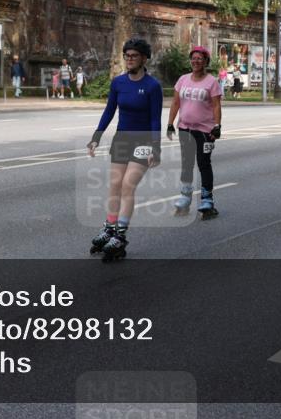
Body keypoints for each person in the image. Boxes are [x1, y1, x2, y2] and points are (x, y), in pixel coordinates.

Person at [87, 38, 163, 261]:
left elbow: (155, 120)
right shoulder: (118, 83)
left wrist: (155, 148)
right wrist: (96, 137)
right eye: (127, 56)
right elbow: (109, 111)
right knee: (114, 186)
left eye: (134, 56)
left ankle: (120, 234)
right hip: (121, 140)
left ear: (144, 58)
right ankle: (109, 227)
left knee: (128, 186)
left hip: (143, 142)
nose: (129, 59)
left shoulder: (152, 86)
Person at [167, 46, 222, 219]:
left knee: (203, 163)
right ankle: (185, 197)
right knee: (186, 164)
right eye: (193, 58)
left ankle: (207, 200)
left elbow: (216, 105)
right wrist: (170, 123)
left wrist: (217, 125)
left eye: (200, 58)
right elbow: (176, 103)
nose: (196, 61)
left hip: (205, 131)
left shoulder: (211, 82)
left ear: (206, 61)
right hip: (185, 128)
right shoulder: (183, 79)